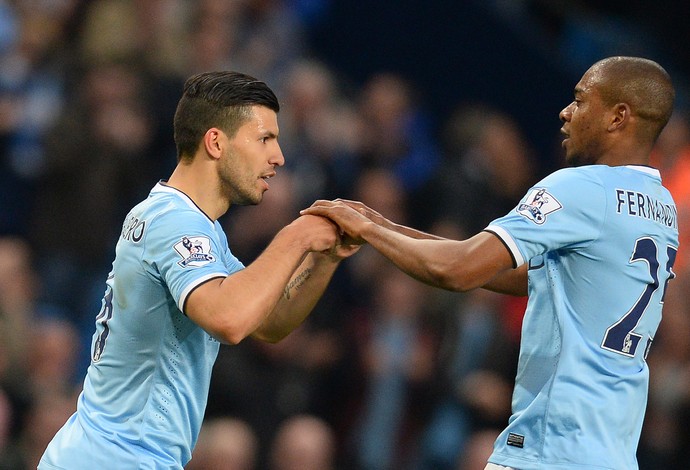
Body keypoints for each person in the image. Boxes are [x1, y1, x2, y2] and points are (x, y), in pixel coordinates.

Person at [302, 56, 678, 470]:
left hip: (549, 449)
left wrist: (369, 232)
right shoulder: (661, 207)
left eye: (580, 100)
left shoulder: (581, 187)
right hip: (612, 455)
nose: (566, 112)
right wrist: (388, 227)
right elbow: (522, 275)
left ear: (617, 116)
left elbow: (458, 269)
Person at [38, 71, 359, 469]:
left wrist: (323, 257)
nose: (278, 157)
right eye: (264, 139)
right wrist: (296, 236)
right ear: (216, 142)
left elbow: (269, 322)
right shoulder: (176, 224)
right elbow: (229, 319)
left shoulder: (198, 227)